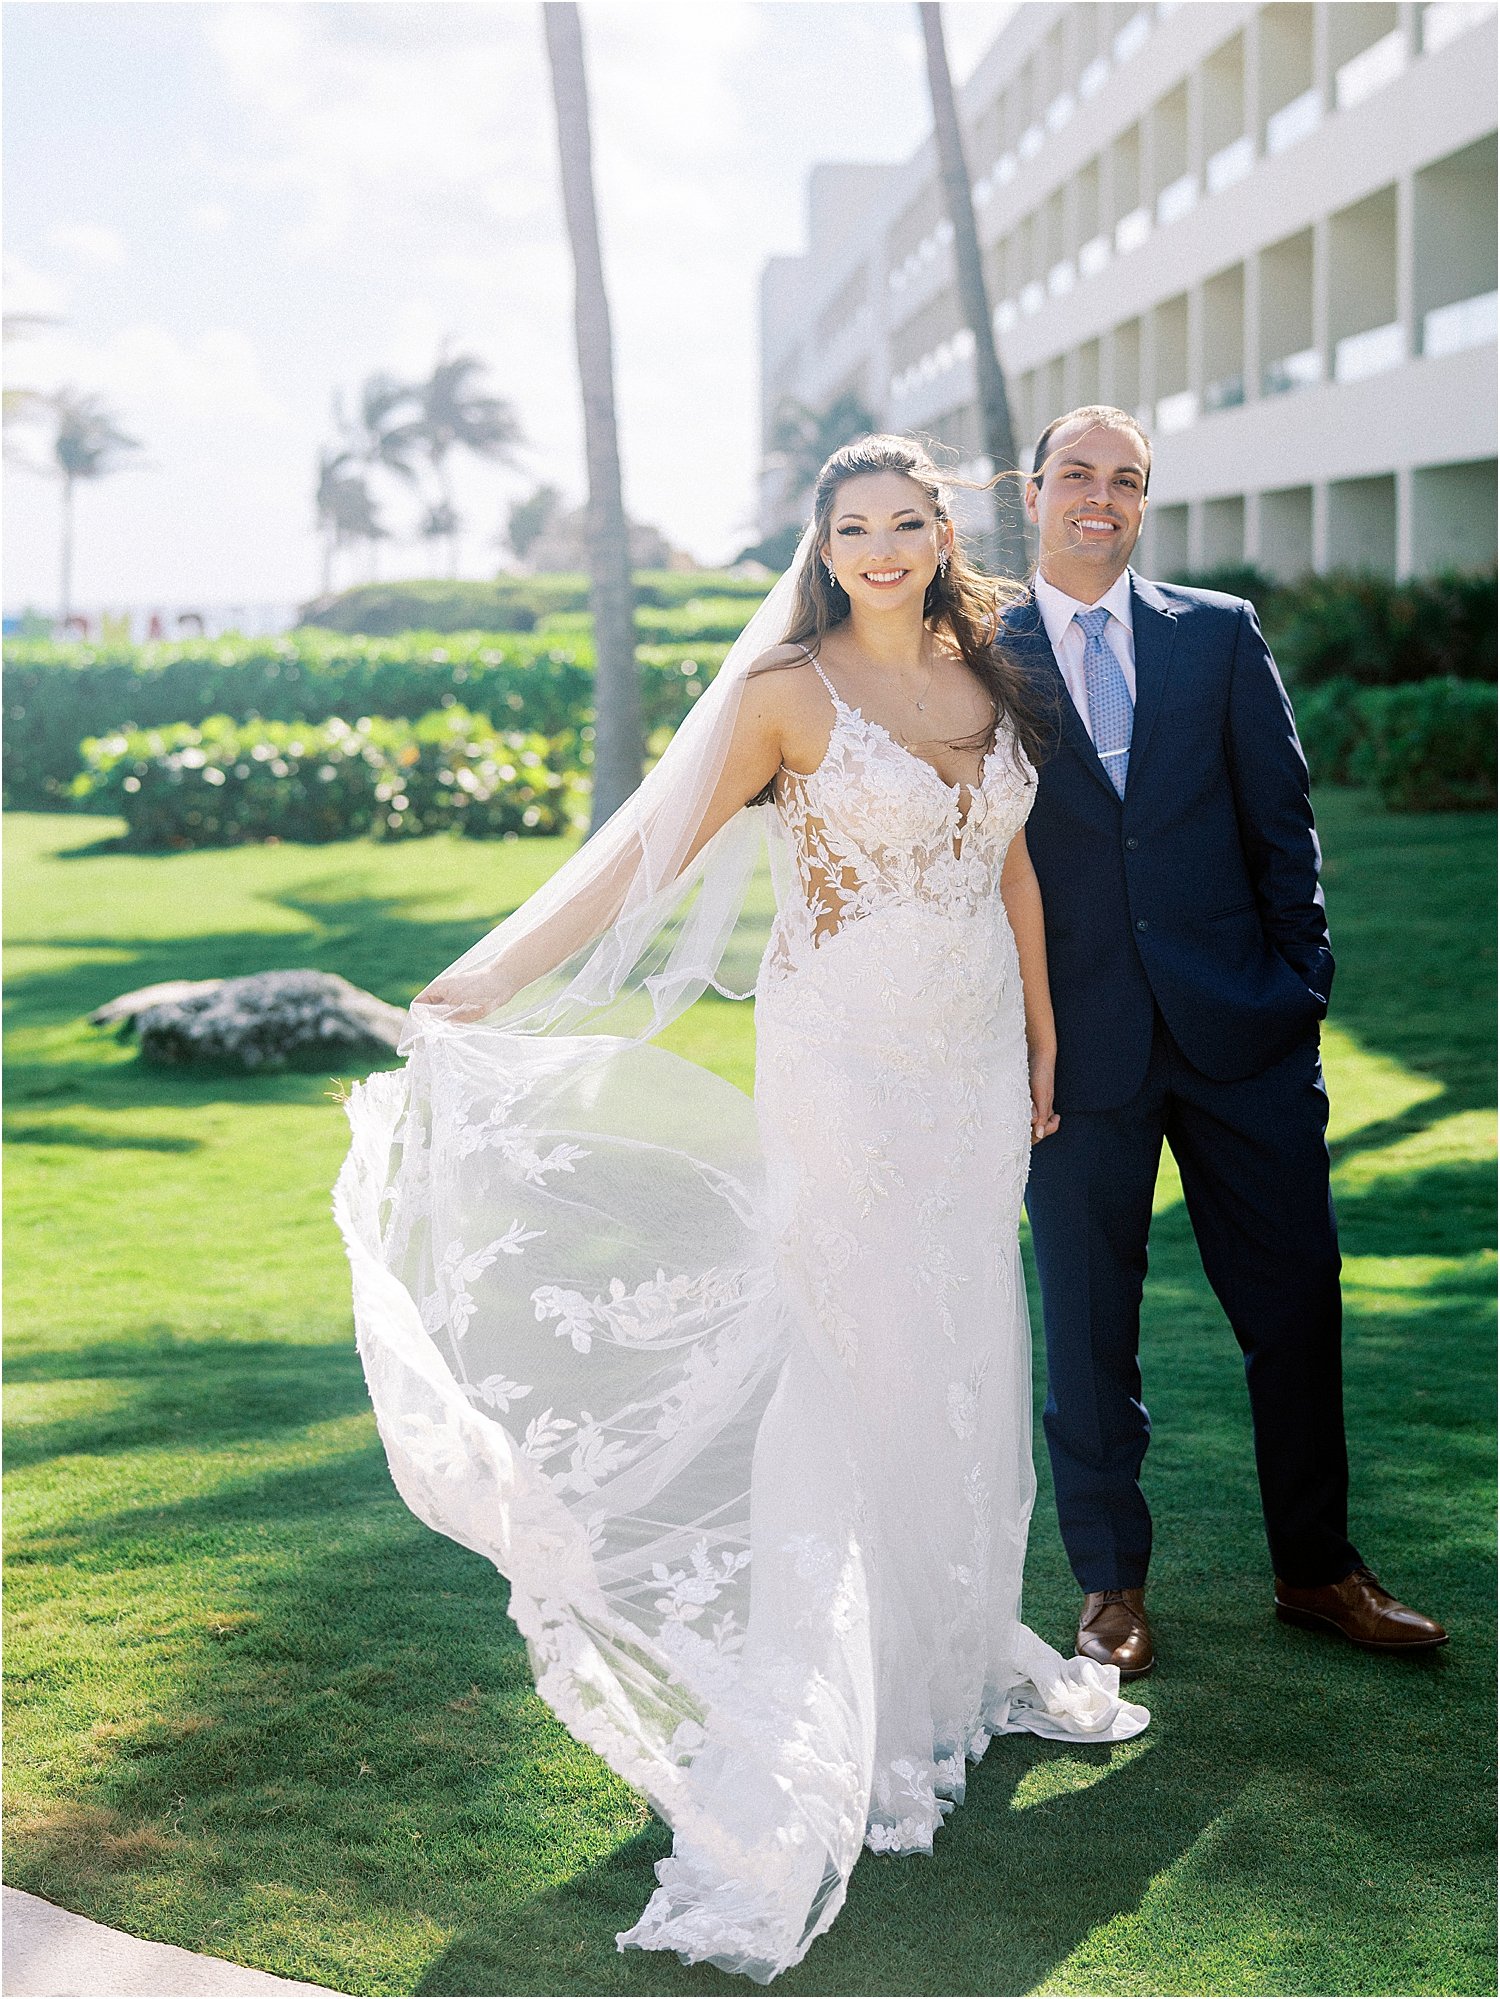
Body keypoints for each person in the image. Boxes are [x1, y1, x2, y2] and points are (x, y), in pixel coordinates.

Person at [335, 434, 1146, 1986]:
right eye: (857, 527)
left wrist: (1044, 1026)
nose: (886, 547)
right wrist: (489, 972)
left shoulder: (991, 668)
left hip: (972, 1065)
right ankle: (838, 1706)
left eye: (909, 521)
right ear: (823, 541)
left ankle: (948, 1659)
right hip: (844, 1066)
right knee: (858, 1356)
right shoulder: (788, 689)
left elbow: (1015, 864)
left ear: (944, 528)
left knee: (966, 1343)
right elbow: (649, 842)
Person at [1010, 404, 1449, 1680]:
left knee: (1296, 1304)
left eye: (1128, 480)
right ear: (1034, 490)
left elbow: (1284, 816)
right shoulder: (973, 646)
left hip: (1240, 1028)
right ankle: (1111, 1588)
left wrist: (1296, 983)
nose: (1102, 497)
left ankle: (1319, 1568)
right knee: (1091, 1320)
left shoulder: (1217, 632)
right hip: (1072, 1047)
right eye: (1080, 474)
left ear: (1145, 501)